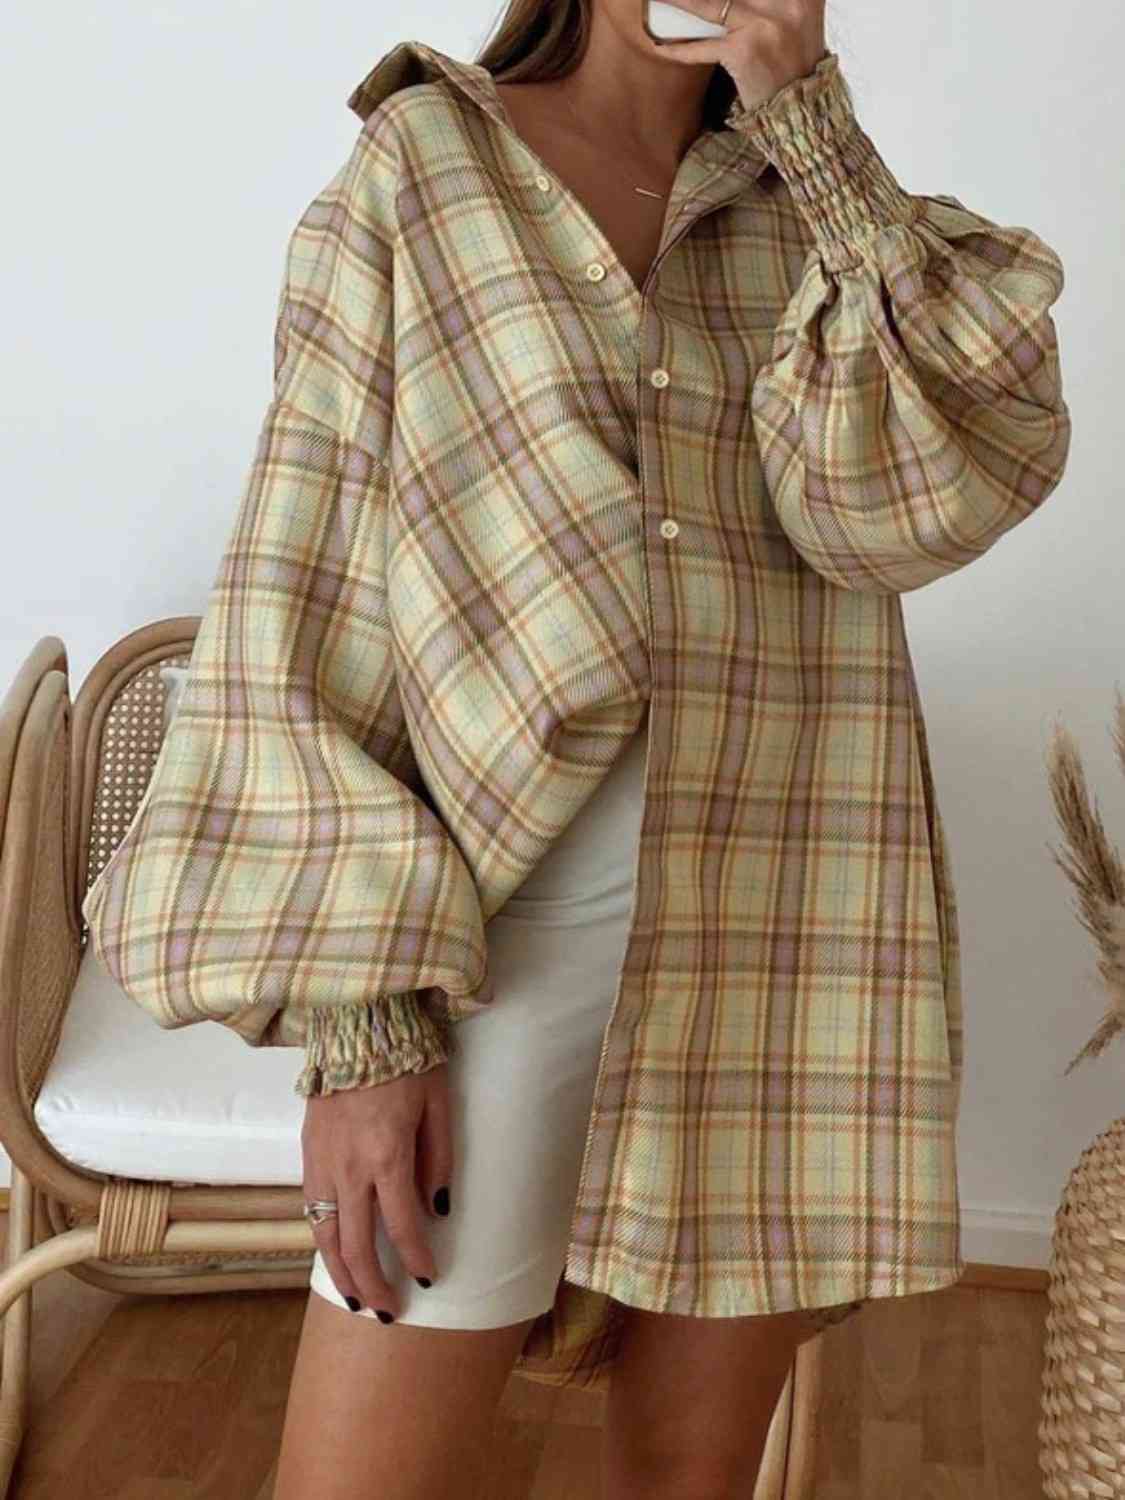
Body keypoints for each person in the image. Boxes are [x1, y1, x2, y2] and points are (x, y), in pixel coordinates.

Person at [79, 0, 1071, 1495]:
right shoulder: (425, 168)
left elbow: (918, 501)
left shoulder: (816, 212)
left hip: (788, 923)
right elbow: (307, 588)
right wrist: (365, 1033)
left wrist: (808, 115)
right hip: (503, 932)